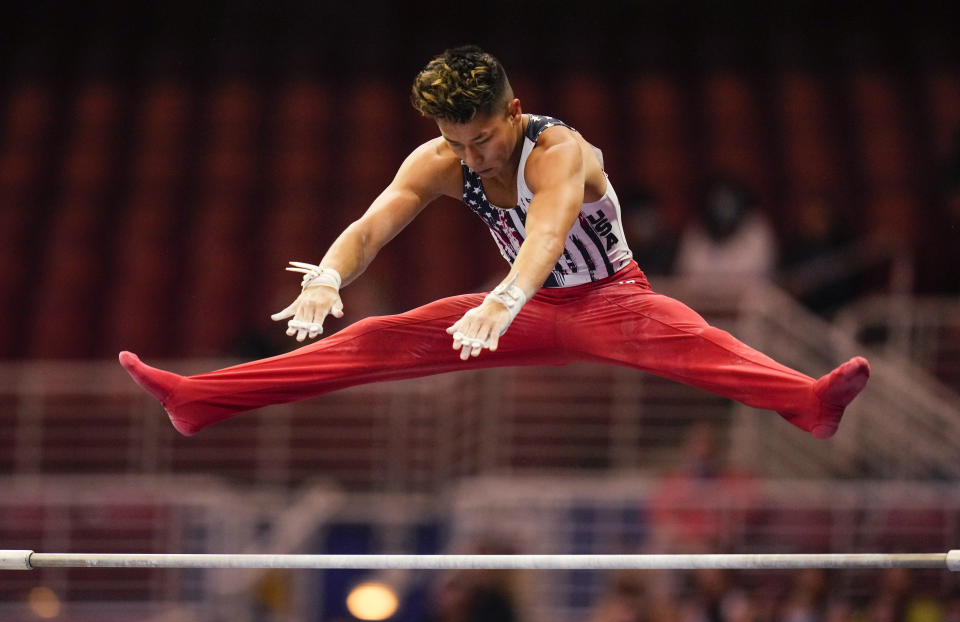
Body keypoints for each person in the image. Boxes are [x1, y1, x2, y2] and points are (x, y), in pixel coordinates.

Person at [118, 45, 870, 441]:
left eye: (481, 138)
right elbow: (374, 224)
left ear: (513, 111)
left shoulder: (559, 152)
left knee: (695, 340)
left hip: (610, 299)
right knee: (379, 338)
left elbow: (546, 231)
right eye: (456, 142)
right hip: (524, 306)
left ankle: (806, 403)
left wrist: (507, 295)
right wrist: (329, 277)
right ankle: (198, 400)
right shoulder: (443, 159)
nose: (471, 157)